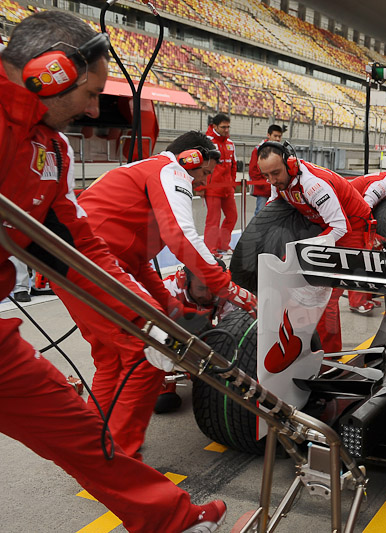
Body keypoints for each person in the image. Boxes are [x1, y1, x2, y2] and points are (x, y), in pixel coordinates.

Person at [0, 11, 226, 532]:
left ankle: (173, 520)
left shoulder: (51, 151)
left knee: (75, 423)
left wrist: (150, 316)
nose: (95, 108)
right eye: (92, 92)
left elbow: (82, 249)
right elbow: (177, 240)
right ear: (49, 73)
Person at [54, 130, 257, 461]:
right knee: (149, 352)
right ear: (192, 157)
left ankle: (95, 444)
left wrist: (172, 308)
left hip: (74, 264)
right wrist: (229, 287)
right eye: (205, 173)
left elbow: (138, 262)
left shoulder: (142, 173)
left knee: (111, 358)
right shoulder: (170, 170)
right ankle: (118, 462)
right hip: (92, 264)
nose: (203, 183)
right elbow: (182, 236)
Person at [257, 141, 372, 350]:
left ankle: (328, 361)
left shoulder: (314, 185)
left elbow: (339, 227)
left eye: (275, 173)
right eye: (266, 176)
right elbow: (271, 212)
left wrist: (303, 252)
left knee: (325, 298)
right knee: (298, 289)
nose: (272, 181)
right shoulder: (278, 182)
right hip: (323, 225)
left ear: (290, 164)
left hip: (352, 231)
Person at [155, 259, 235, 414]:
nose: (208, 295)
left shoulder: (228, 293)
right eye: (202, 288)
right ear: (185, 282)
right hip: (168, 337)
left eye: (214, 288)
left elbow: (232, 332)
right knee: (163, 402)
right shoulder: (166, 290)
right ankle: (164, 383)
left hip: (203, 333)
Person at [203, 113, 237, 257]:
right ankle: (210, 250)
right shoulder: (206, 142)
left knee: (232, 216)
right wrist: (200, 187)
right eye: (223, 127)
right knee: (213, 220)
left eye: (228, 127)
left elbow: (234, 166)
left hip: (227, 188)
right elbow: (200, 166)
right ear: (214, 126)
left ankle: (223, 244)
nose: (226, 130)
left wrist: (232, 185)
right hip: (212, 188)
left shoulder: (230, 143)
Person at [247, 123, 283, 216]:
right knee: (260, 212)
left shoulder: (281, 150)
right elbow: (253, 170)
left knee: (276, 213)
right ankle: (256, 230)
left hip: (277, 187)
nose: (278, 139)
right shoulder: (259, 149)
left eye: (279, 136)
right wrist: (262, 183)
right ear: (268, 135)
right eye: (275, 136)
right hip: (263, 188)